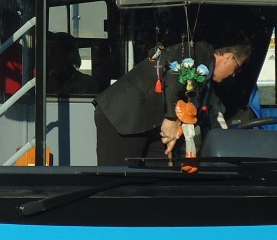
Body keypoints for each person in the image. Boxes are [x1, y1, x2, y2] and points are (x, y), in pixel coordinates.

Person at [94, 39, 252, 165]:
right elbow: (174, 75)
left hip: (150, 124)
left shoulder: (207, 81)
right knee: (117, 178)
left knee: (160, 175)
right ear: (228, 57)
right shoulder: (199, 51)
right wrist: (170, 118)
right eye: (237, 68)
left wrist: (174, 132)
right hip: (123, 115)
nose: (233, 75)